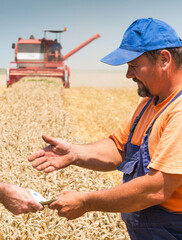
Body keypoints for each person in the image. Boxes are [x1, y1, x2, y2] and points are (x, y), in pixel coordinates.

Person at [28, 18, 182, 239]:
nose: (128, 75)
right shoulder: (150, 102)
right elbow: (119, 148)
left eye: (134, 66)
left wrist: (86, 202)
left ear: (164, 59)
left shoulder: (178, 111)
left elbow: (157, 188)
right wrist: (74, 153)